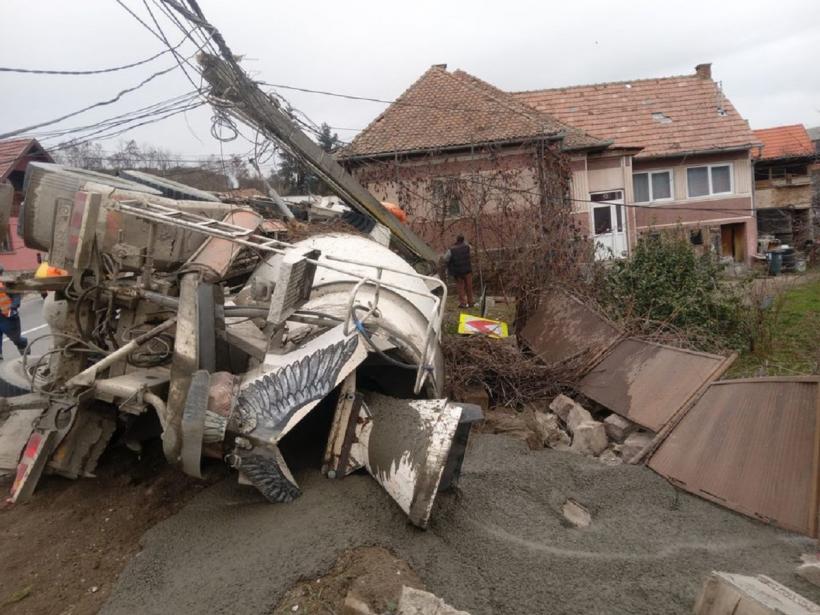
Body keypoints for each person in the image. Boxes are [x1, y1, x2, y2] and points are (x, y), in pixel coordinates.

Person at [0, 266, 27, 360]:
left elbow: (16, 296)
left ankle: (24, 348)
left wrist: (14, 306)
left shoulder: (6, 284)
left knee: (16, 339)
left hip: (8, 316)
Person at [443, 235, 474, 309]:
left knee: (460, 288)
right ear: (463, 240)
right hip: (467, 270)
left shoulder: (451, 250)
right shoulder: (467, 247)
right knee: (469, 287)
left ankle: (463, 303)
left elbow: (445, 258)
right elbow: (470, 249)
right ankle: (471, 302)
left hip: (458, 272)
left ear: (457, 240)